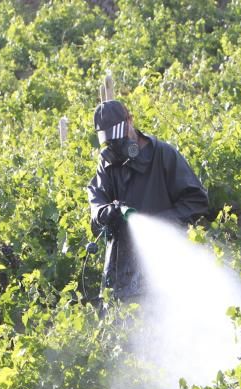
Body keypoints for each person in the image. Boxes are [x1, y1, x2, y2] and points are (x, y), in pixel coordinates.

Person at [87, 100, 209, 297]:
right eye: (110, 142)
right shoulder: (107, 165)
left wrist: (159, 223)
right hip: (123, 275)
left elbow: (197, 202)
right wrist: (106, 213)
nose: (116, 146)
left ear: (130, 121)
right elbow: (96, 206)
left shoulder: (163, 154)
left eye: (120, 137)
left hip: (166, 265)